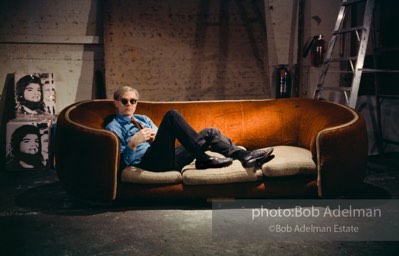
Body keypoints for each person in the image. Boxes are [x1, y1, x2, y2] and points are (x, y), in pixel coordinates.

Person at [106, 86, 274, 172]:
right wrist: (133, 143)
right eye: (124, 101)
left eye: (133, 101)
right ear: (116, 102)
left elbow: (162, 139)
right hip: (147, 163)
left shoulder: (143, 119)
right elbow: (120, 163)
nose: (129, 104)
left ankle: (245, 156)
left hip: (167, 157)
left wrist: (155, 138)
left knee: (210, 132)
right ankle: (203, 158)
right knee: (172, 115)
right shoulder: (113, 126)